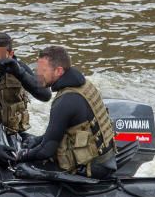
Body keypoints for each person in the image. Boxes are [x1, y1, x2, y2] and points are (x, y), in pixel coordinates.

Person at [14, 46, 117, 179]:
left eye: (42, 70)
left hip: (92, 169)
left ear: (58, 71)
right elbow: (58, 132)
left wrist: (22, 155)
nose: (37, 75)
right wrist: (37, 140)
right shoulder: (84, 85)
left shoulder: (65, 101)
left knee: (25, 168)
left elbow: (46, 151)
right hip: (105, 160)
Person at [0, 32, 51, 137]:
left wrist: (19, 73)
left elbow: (45, 96)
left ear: (10, 54)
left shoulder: (19, 69)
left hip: (15, 132)